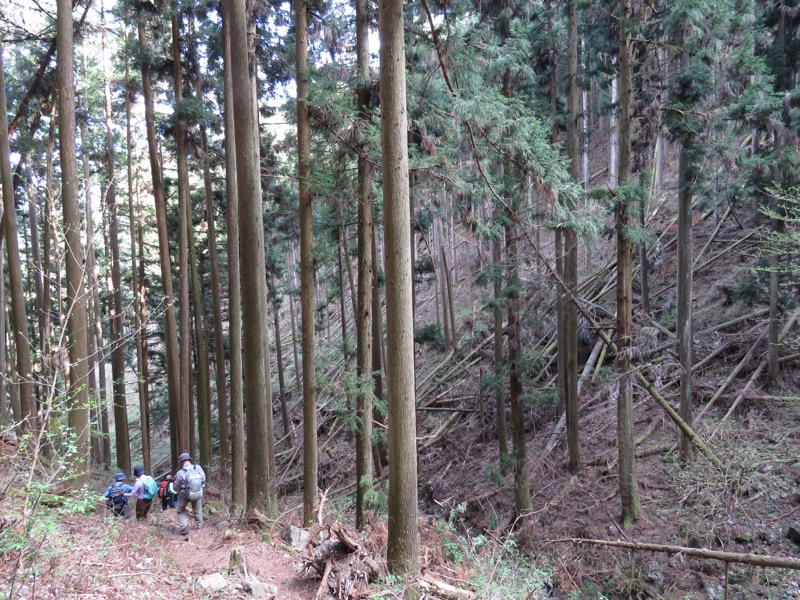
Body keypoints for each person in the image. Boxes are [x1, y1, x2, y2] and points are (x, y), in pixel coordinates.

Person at [173, 452, 206, 536]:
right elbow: (203, 478)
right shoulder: (197, 468)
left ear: (181, 462)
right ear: (189, 460)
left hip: (184, 494)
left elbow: (177, 486)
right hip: (197, 492)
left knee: (180, 511)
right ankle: (199, 525)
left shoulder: (180, 473)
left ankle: (184, 528)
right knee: (197, 509)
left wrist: (178, 490)